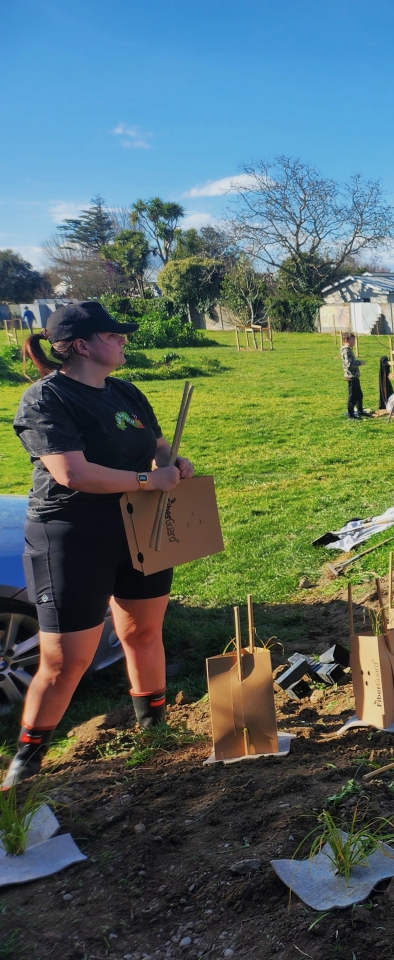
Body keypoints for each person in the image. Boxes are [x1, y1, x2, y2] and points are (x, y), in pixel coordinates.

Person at [4, 302, 195, 788]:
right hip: (71, 533)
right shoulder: (47, 399)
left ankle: (153, 727)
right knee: (66, 658)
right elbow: (72, 473)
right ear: (83, 345)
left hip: (137, 526)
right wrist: (148, 482)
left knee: (143, 633)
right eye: (114, 335)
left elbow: (156, 446)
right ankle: (28, 757)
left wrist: (175, 463)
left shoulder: (124, 391)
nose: (124, 340)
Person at [340, 333, 365, 420]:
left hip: (355, 376)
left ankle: (360, 411)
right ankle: (351, 414)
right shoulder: (346, 351)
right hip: (351, 376)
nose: (354, 342)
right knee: (353, 396)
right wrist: (359, 363)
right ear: (346, 340)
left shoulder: (349, 350)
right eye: (352, 340)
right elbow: (349, 365)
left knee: (359, 395)